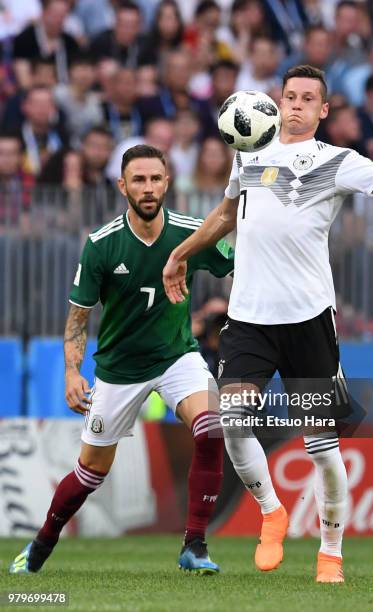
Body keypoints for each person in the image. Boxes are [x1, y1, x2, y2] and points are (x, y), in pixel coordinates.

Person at [162, 64, 373, 582]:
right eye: (288, 96)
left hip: (308, 321)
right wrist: (180, 253)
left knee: (322, 449)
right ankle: (272, 511)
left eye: (306, 98)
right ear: (277, 102)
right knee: (236, 424)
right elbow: (227, 214)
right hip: (248, 318)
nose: (295, 105)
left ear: (323, 109)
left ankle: (330, 553)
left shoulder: (337, 161)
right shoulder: (249, 152)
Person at [9, 144, 234, 575]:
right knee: (90, 474)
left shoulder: (192, 234)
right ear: (122, 186)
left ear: (167, 181)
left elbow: (237, 267)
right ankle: (39, 546)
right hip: (118, 370)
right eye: (138, 180)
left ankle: (195, 546)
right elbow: (79, 316)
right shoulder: (101, 245)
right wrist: (73, 372)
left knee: (210, 428)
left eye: (155, 179)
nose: (148, 189)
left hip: (177, 356)